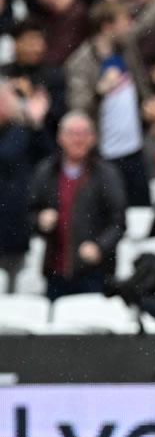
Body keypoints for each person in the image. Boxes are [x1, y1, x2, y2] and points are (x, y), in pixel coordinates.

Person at [27, 112, 126, 300]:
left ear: (93, 138)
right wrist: (40, 220)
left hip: (94, 273)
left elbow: (118, 223)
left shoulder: (107, 174)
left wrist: (99, 247)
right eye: (73, 133)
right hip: (56, 270)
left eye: (84, 133)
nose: (78, 139)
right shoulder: (46, 171)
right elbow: (30, 213)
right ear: (60, 138)